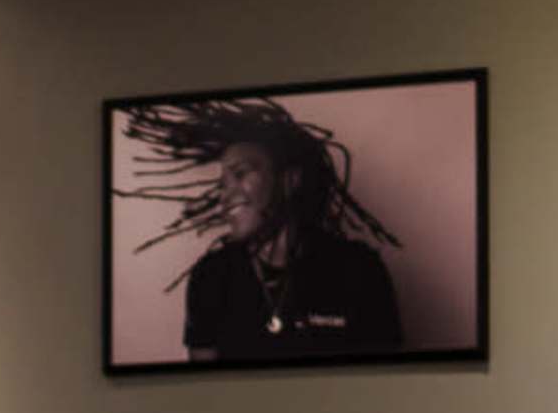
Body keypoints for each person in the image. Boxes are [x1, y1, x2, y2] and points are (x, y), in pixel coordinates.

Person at [115, 96, 403, 363]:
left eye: (240, 174)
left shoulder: (358, 270)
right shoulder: (211, 277)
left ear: (290, 181)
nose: (225, 195)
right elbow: (204, 397)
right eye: (222, 185)